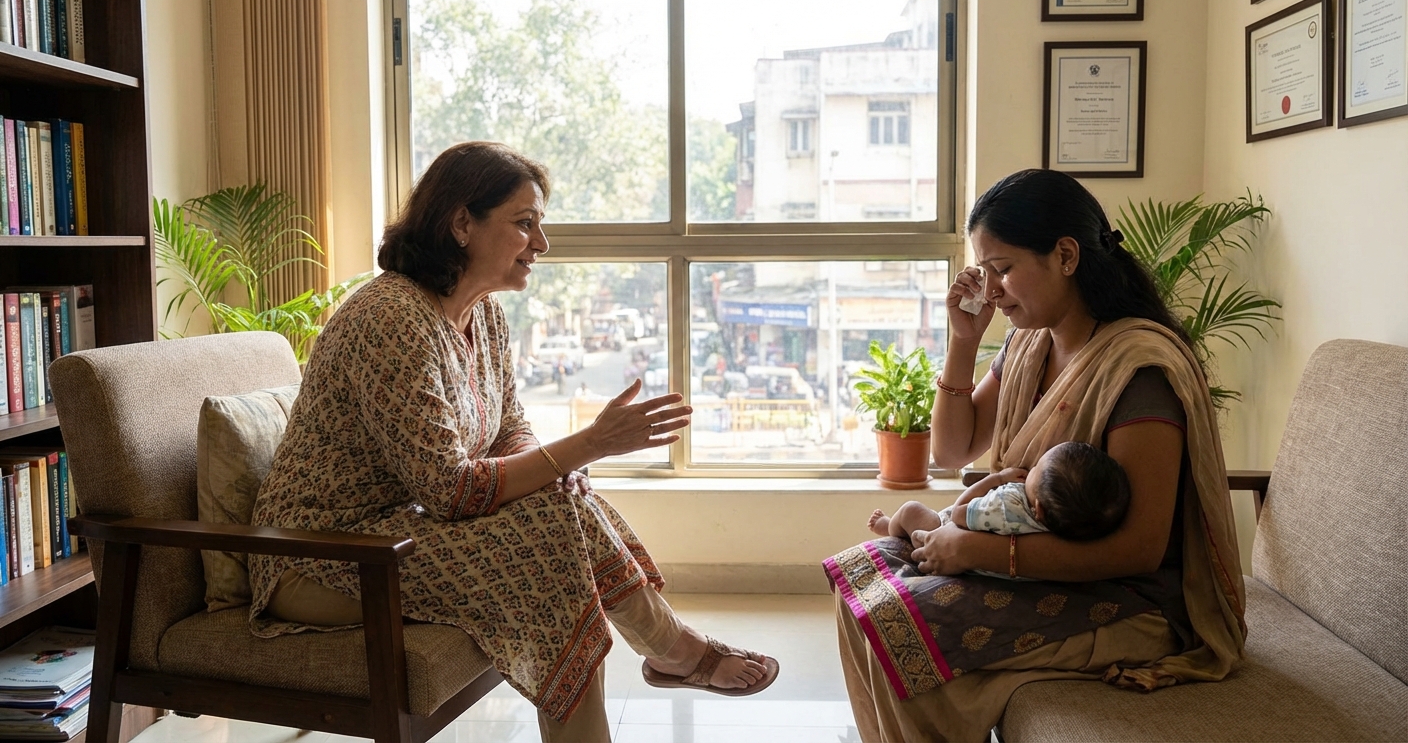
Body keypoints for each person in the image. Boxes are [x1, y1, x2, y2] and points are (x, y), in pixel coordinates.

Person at [248, 142, 779, 743]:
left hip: (399, 528)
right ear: (461, 224)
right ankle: (674, 651)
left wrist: (557, 468)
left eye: (540, 226)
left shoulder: (485, 316)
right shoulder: (389, 319)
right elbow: (449, 490)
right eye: (524, 225)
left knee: (558, 506)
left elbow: (508, 427)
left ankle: (669, 653)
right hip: (322, 555)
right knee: (551, 541)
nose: (541, 245)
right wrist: (589, 445)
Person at [826, 168, 1244, 742]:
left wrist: (979, 549)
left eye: (1003, 269)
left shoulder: (1139, 371)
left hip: (1135, 603)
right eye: (986, 271)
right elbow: (951, 450)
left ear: (1066, 255)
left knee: (899, 621)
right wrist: (965, 340)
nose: (991, 290)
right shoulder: (1030, 341)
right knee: (863, 585)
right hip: (1052, 574)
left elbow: (1141, 550)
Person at [867, 441, 1132, 573]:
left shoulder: (1008, 508)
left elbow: (959, 513)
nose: (1032, 468)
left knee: (912, 510)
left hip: (947, 539)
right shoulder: (1069, 526)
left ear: (1038, 509)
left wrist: (996, 479)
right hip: (992, 562)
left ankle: (890, 526)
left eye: (1037, 469)